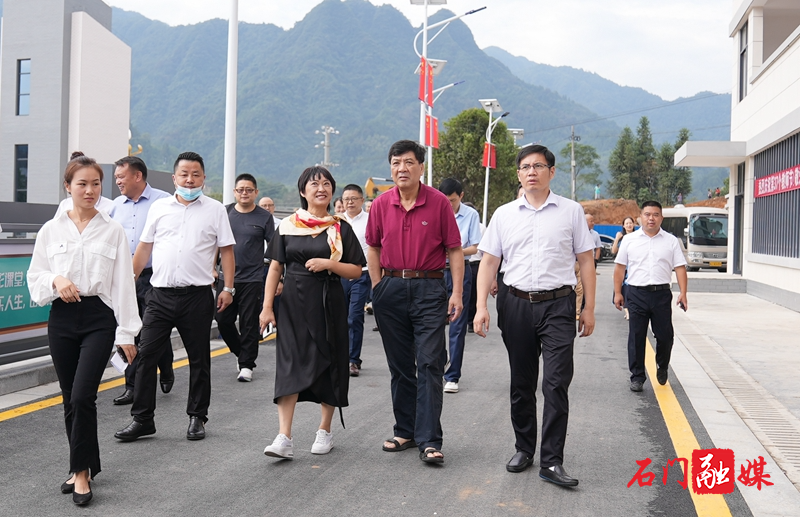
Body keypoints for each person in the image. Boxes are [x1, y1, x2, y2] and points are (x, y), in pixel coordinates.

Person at [473, 144, 596, 487]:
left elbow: (586, 260)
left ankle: (552, 461)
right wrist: (482, 305)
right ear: (518, 174)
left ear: (551, 172)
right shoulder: (504, 214)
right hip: (515, 304)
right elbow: (489, 262)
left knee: (556, 383)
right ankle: (524, 448)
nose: (531, 172)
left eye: (538, 166)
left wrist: (587, 309)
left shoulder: (571, 212)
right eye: (525, 167)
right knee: (522, 383)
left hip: (559, 305)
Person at [27, 152, 141, 506]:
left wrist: (126, 332)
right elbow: (34, 278)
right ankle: (85, 464)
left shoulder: (112, 229)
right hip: (61, 318)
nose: (89, 190)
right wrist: (56, 279)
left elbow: (123, 282)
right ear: (68, 187)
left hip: (98, 317)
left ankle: (80, 475)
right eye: (82, 184)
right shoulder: (51, 229)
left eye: (95, 184)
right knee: (68, 397)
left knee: (82, 396)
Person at [114, 152, 236, 442]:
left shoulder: (216, 210)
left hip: (197, 296)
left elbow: (227, 251)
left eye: (195, 174)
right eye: (184, 174)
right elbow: (144, 248)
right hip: (160, 294)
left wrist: (227, 288)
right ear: (174, 178)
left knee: (199, 359)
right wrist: (127, 281)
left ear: (204, 178)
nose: (189, 179)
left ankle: (197, 417)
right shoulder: (160, 208)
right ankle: (142, 419)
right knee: (145, 355)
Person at [366, 140, 463, 464]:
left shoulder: (438, 203)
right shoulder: (380, 204)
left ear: (421, 167)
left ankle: (429, 439)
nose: (402, 169)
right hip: (390, 289)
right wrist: (378, 286)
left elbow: (454, 250)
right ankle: (405, 431)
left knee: (430, 363)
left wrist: (457, 293)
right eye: (396, 163)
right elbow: (374, 248)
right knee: (400, 366)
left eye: (408, 162)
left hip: (429, 288)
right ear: (390, 167)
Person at [260, 166, 365, 460]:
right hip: (292, 304)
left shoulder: (340, 227)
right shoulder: (288, 225)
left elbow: (356, 270)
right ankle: (284, 436)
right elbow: (275, 268)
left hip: (328, 302)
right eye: (314, 183)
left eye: (326, 183)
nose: (321, 188)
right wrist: (267, 307)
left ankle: (324, 430)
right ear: (303, 191)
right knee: (290, 364)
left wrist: (329, 264)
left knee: (328, 362)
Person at [108, 156, 172, 406]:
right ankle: (131, 386)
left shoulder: (163, 201)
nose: (118, 182)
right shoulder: (115, 207)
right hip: (126, 278)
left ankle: (166, 367)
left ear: (137, 176)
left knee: (153, 330)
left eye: (121, 177)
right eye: (116, 178)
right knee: (129, 329)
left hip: (155, 277)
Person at [614, 201, 688, 393]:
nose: (651, 218)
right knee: (637, 336)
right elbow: (620, 268)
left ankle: (662, 366)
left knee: (665, 336)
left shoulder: (671, 240)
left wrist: (683, 293)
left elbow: (680, 267)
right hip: (636, 293)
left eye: (655, 214)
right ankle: (637, 377)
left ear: (661, 218)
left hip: (661, 294)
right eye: (647, 214)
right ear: (640, 218)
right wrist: (617, 293)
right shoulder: (630, 240)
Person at [217, 174, 274, 382]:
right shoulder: (226, 213)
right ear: (234, 192)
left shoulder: (263, 217)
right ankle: (241, 353)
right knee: (222, 320)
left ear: (255, 193)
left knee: (249, 323)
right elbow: (216, 242)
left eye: (249, 190)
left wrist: (278, 277)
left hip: (252, 278)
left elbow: (274, 248)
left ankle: (247, 365)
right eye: (240, 189)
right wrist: (212, 268)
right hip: (226, 278)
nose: (244, 193)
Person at [438, 178, 481, 394]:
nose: (448, 205)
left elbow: (474, 247)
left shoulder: (470, 215)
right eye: (445, 201)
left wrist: (454, 251)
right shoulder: (434, 211)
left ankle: (453, 375)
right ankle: (436, 366)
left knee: (457, 325)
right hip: (434, 273)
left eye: (452, 201)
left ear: (461, 197)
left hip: (460, 271)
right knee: (433, 324)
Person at [339, 184, 370, 377]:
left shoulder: (370, 220)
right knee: (339, 318)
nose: (349, 202)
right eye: (346, 199)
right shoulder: (336, 221)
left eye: (353, 198)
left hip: (362, 274)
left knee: (354, 317)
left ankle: (353, 360)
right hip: (339, 274)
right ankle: (338, 357)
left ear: (361, 200)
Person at [464, 202, 485, 334]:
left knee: (473, 295)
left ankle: (471, 321)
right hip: (463, 264)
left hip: (476, 265)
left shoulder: (482, 228)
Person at [612, 216, 637, 320]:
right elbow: (613, 251)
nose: (629, 225)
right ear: (623, 226)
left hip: (634, 268)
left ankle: (630, 310)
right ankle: (627, 311)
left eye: (630, 223)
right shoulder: (622, 238)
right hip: (623, 269)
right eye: (626, 223)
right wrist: (617, 239)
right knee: (623, 290)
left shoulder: (638, 237)